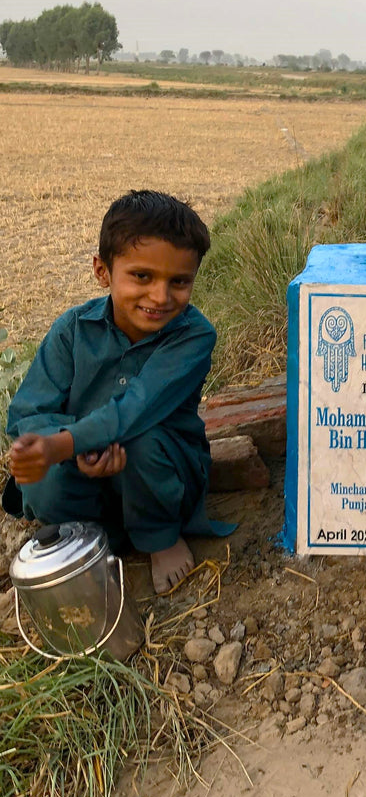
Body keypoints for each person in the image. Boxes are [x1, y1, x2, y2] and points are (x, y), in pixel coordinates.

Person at [4, 190, 233, 594]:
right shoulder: (72, 330)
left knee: (142, 438)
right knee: (42, 482)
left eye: (179, 282)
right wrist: (80, 449)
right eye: (142, 276)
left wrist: (64, 444)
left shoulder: (194, 336)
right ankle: (98, 536)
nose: (161, 297)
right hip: (85, 473)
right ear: (102, 271)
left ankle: (160, 538)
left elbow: (136, 408)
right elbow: (28, 412)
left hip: (159, 472)